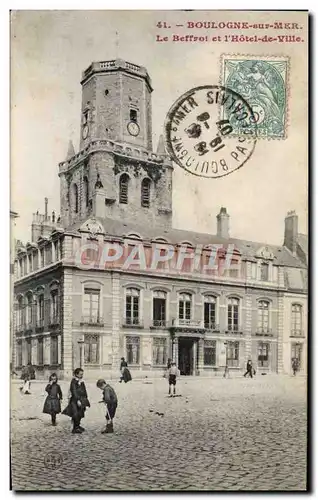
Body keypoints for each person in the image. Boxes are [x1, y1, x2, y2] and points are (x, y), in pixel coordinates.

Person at [62, 368, 90, 434]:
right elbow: (74, 391)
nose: (82, 375)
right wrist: (77, 400)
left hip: (82, 399)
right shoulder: (74, 381)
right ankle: (75, 428)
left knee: (81, 413)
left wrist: (85, 398)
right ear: (76, 374)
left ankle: (78, 425)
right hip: (75, 400)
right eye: (80, 374)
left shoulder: (81, 381)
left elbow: (84, 390)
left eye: (82, 374)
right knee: (76, 414)